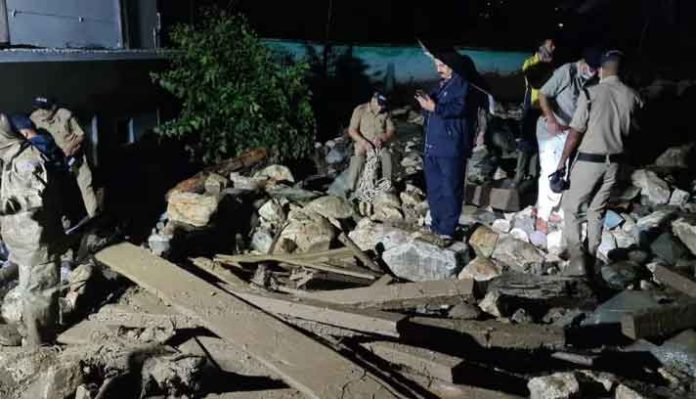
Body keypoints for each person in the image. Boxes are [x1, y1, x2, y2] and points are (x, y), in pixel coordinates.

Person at [556, 50, 642, 276]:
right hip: (614, 163)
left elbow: (575, 132)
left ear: (602, 70)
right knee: (597, 210)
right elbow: (635, 129)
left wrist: (562, 162)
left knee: (571, 207)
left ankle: (577, 258)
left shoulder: (590, 94)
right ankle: (592, 257)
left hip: (588, 161)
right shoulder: (633, 96)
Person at [0, 113, 63, 347]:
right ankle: (30, 333)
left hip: (38, 244)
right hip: (22, 244)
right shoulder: (9, 158)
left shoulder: (28, 159)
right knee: (28, 294)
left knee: (38, 295)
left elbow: (33, 197)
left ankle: (40, 347)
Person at [535, 48, 601, 233]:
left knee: (565, 171)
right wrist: (551, 119)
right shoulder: (567, 71)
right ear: (583, 62)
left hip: (571, 133)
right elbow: (543, 94)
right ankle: (542, 217)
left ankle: (555, 209)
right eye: (592, 68)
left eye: (597, 69)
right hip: (551, 131)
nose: (595, 72)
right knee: (550, 171)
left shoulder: (592, 79)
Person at [416, 49, 472, 243]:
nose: (438, 68)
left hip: (451, 146)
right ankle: (436, 224)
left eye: (441, 65)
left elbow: (460, 107)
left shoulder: (462, 84)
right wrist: (426, 106)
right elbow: (430, 111)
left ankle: (447, 228)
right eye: (436, 65)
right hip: (432, 145)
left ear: (452, 65)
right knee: (434, 188)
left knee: (450, 188)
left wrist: (435, 107)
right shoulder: (439, 86)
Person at [30, 97, 98, 217]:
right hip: (55, 159)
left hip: (74, 155)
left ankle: (94, 215)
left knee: (85, 184)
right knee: (58, 191)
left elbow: (81, 135)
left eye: (45, 109)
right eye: (39, 108)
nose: (42, 112)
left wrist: (70, 148)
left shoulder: (66, 115)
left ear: (54, 108)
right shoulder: (34, 118)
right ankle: (64, 220)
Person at [516, 39, 556, 184]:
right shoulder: (530, 62)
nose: (553, 47)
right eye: (550, 45)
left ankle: (533, 176)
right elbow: (531, 77)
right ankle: (519, 175)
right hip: (532, 104)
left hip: (544, 106)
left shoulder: (551, 65)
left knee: (538, 141)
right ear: (541, 47)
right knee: (526, 140)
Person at [347, 92, 396, 191]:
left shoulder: (385, 112)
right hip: (363, 142)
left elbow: (391, 130)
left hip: (379, 142)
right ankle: (352, 186)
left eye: (383, 104)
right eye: (380, 104)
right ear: (373, 101)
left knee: (387, 155)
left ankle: (387, 184)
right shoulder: (360, 110)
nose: (382, 107)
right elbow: (352, 130)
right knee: (359, 154)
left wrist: (384, 137)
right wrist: (364, 143)